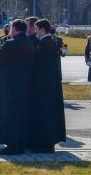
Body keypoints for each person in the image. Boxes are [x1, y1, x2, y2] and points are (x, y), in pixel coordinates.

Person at [0, 19, 34, 155]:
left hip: (9, 84)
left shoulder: (10, 44)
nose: (10, 31)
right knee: (21, 114)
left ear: (15, 29)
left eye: (11, 28)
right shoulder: (29, 42)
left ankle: (11, 144)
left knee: (9, 113)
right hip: (25, 82)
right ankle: (20, 143)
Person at [28, 19, 66, 152]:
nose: (36, 32)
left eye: (37, 29)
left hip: (44, 85)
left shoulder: (45, 43)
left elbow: (40, 67)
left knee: (45, 115)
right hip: (50, 85)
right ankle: (45, 143)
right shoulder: (51, 42)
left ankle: (44, 144)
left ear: (42, 30)